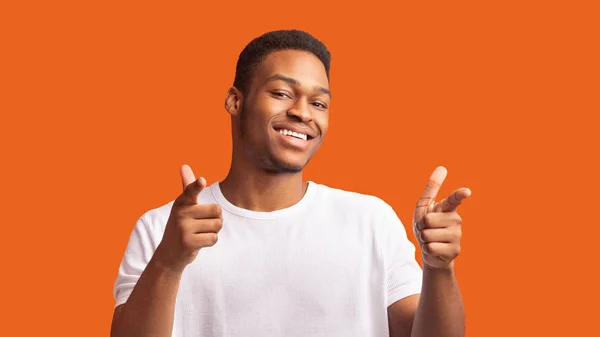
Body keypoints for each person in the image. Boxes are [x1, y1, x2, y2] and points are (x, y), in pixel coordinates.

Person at [110, 29, 471, 337]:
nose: (303, 112)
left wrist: (439, 269)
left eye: (319, 102)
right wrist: (168, 262)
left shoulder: (370, 221)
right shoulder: (162, 229)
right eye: (282, 93)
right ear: (236, 101)